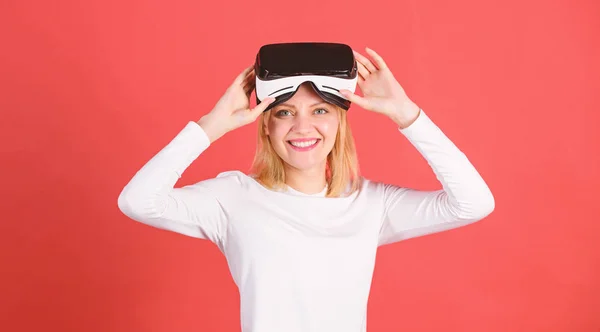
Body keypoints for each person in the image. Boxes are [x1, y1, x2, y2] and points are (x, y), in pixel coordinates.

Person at [118, 45, 495, 332]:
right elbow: (138, 201)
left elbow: (473, 204)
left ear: (339, 124)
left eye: (320, 111)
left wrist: (407, 114)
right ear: (265, 126)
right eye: (285, 113)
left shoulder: (371, 204)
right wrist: (209, 127)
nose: (302, 127)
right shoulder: (231, 199)